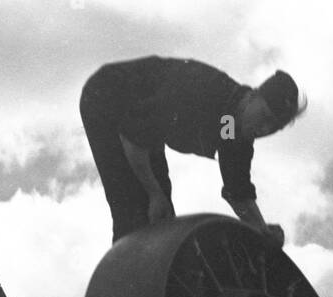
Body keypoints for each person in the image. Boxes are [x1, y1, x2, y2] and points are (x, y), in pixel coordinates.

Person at [80, 57, 305, 243]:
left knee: (160, 219)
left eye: (274, 127)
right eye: (265, 117)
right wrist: (154, 193)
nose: (264, 129)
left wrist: (261, 230)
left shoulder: (230, 125)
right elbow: (133, 140)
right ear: (254, 95)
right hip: (108, 99)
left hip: (145, 126)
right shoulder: (203, 93)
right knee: (135, 211)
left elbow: (238, 191)